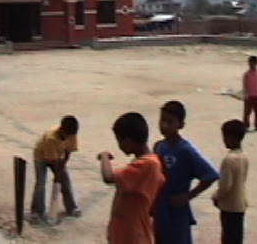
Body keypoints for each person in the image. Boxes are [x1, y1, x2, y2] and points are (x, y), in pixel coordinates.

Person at [154, 100, 219, 244]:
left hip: (177, 211)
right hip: (160, 208)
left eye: (170, 122)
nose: (164, 125)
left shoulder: (185, 150)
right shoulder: (159, 147)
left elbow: (211, 175)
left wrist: (189, 195)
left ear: (181, 124)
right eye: (162, 121)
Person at [97, 112, 165, 244]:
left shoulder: (146, 164)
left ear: (127, 141)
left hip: (133, 234)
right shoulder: (148, 161)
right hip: (126, 230)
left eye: (119, 140)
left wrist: (104, 157)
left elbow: (108, 177)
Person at [29, 115, 82, 224]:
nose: (68, 137)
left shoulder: (72, 134)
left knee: (65, 181)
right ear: (61, 130)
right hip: (41, 156)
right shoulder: (51, 138)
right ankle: (36, 212)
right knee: (41, 183)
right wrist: (58, 174)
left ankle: (71, 207)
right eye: (66, 134)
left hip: (57, 156)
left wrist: (62, 169)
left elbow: (68, 152)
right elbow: (52, 160)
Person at [212, 119, 249, 244]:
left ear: (230, 137)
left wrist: (216, 196)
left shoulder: (229, 160)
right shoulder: (243, 156)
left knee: (228, 237)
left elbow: (225, 186)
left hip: (229, 206)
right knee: (236, 237)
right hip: (240, 204)